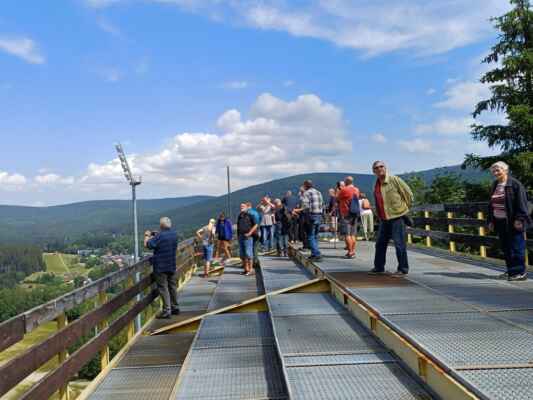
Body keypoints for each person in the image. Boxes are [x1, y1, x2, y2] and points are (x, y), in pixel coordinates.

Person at [488, 161, 531, 281]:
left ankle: (520, 273)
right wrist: (491, 220)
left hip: (513, 221)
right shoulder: (495, 184)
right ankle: (511, 270)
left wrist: (519, 219)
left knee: (517, 247)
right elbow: (491, 204)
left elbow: (522, 203)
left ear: (505, 170)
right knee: (506, 247)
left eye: (498, 170)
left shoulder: (515, 184)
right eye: (494, 171)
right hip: (499, 221)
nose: (495, 173)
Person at [371, 161, 413, 276]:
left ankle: (403, 269)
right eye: (376, 168)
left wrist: (403, 209)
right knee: (380, 244)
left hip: (397, 217)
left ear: (385, 168)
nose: (379, 169)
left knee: (399, 244)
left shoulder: (394, 180)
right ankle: (379, 267)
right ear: (373, 171)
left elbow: (409, 195)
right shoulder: (376, 184)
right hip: (384, 219)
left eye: (381, 166)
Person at [144, 217, 179, 319]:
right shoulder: (174, 234)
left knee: (163, 288)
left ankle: (166, 311)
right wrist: (157, 234)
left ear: (161, 225)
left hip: (161, 267)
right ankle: (175, 307)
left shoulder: (159, 236)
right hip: (171, 265)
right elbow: (165, 241)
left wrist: (147, 236)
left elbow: (148, 245)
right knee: (172, 286)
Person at [294, 180, 324, 261]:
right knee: (315, 236)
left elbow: (305, 206)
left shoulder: (306, 193)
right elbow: (322, 204)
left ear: (305, 185)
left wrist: (297, 210)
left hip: (311, 216)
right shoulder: (318, 192)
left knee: (310, 236)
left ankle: (316, 254)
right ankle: (314, 253)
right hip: (319, 215)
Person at [337, 176, 360, 259]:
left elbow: (338, 198)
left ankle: (350, 252)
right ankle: (352, 251)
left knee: (347, 234)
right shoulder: (357, 190)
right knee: (353, 234)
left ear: (346, 182)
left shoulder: (344, 190)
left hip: (345, 213)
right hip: (354, 213)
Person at [238, 203, 258, 276]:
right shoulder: (240, 215)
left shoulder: (250, 215)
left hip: (248, 237)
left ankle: (251, 270)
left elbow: (256, 225)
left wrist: (250, 233)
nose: (241, 208)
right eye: (241, 206)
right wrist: (238, 236)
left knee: (248, 253)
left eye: (243, 206)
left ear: (247, 207)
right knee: (242, 254)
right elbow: (238, 226)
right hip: (241, 236)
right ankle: (246, 270)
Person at [246, 202, 262, 268]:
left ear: (247, 206)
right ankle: (256, 261)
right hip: (257, 231)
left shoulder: (247, 213)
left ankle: (251, 264)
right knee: (255, 247)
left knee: (249, 248)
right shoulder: (256, 212)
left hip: (251, 232)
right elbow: (260, 220)